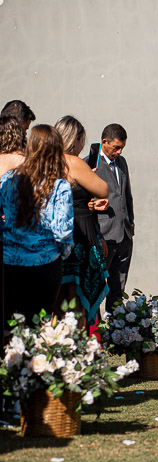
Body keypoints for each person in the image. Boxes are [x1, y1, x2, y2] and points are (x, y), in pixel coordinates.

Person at [0, 125, 73, 325]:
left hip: (10, 263)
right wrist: (61, 254)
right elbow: (63, 232)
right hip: (46, 264)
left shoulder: (7, 179)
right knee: (37, 327)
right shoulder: (60, 186)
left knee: (10, 328)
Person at [54, 116, 110, 326]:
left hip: (53, 237)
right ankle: (76, 347)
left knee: (57, 301)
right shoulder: (74, 162)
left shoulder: (46, 162)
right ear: (74, 140)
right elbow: (103, 189)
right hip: (79, 235)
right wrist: (87, 175)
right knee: (77, 299)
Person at [89, 123, 134, 313]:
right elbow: (84, 203)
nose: (119, 151)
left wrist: (130, 224)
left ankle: (116, 328)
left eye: (122, 147)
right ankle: (95, 331)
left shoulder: (122, 162)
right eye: (116, 147)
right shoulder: (90, 164)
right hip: (103, 236)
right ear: (104, 142)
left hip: (124, 234)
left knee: (118, 288)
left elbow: (127, 195)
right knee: (96, 286)